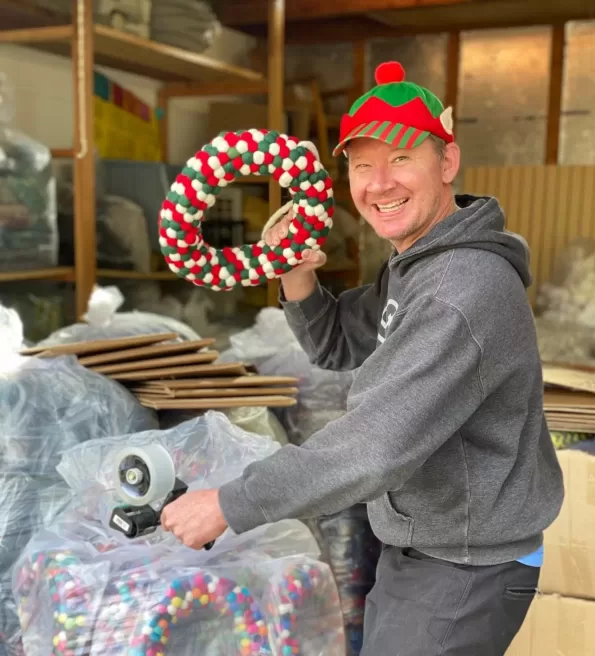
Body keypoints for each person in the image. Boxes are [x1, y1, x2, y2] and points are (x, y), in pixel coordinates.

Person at [161, 61, 565, 655]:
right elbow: (339, 344)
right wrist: (296, 274)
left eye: (401, 158)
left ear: (447, 162)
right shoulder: (420, 264)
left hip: (463, 566)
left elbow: (373, 446)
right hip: (429, 547)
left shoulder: (459, 288)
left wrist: (229, 503)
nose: (379, 183)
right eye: (361, 165)